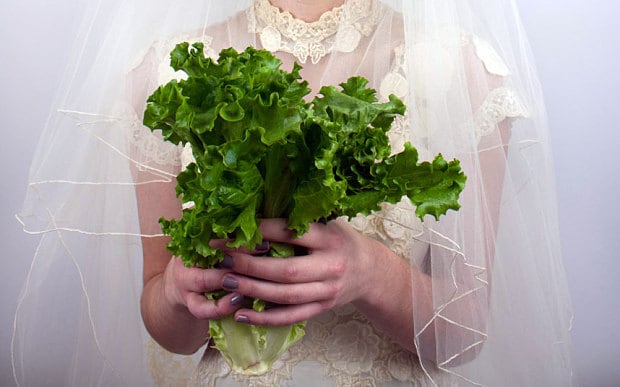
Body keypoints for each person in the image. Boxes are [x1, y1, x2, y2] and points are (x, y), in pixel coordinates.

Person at [13, 0, 574, 386]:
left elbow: (466, 334)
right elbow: (170, 331)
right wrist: (180, 292)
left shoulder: (463, 73)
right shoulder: (165, 76)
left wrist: (371, 272)